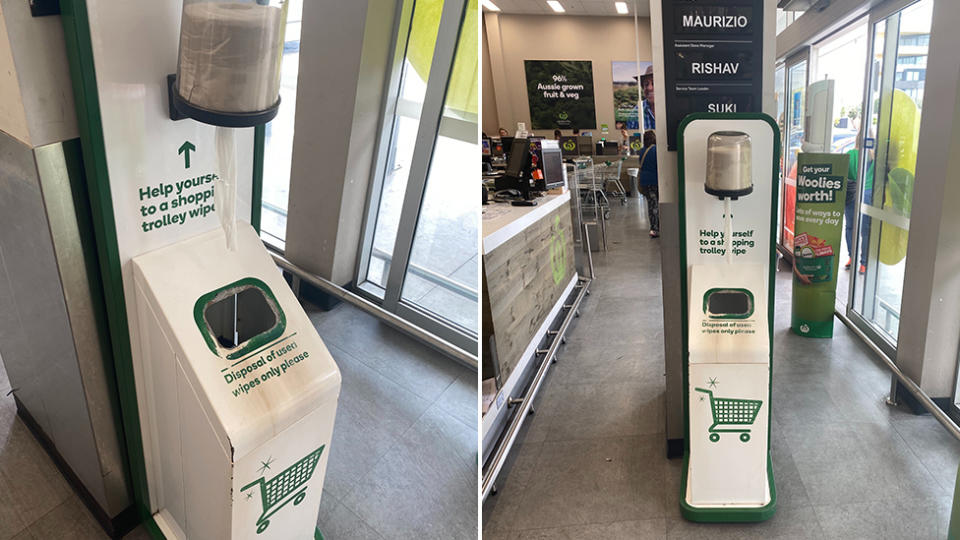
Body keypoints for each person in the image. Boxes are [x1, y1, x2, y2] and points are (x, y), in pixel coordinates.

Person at [844, 131, 874, 274]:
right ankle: (864, 264)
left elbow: (846, 174)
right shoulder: (875, 157)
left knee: (850, 227)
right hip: (868, 193)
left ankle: (852, 257)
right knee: (866, 230)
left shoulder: (850, 154)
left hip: (852, 193)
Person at [638, 130, 659, 237]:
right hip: (655, 180)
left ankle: (653, 228)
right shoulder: (656, 150)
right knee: (657, 205)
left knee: (651, 205)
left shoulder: (642, 151)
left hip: (645, 182)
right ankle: (658, 227)